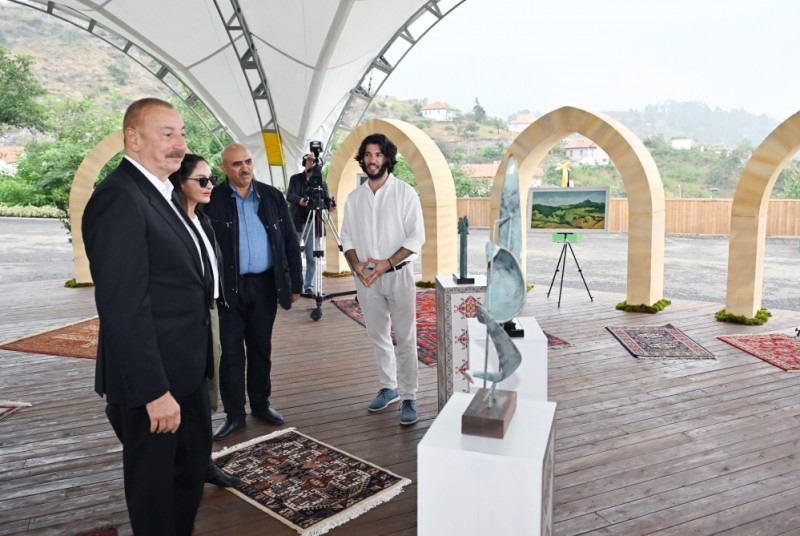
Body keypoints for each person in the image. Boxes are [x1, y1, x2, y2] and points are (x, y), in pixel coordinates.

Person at [82, 98, 213, 535]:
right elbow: (123, 306)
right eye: (167, 134)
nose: (180, 144)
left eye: (182, 134)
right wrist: (154, 391)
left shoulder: (160, 192)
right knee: (156, 494)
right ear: (133, 138)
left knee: (187, 475)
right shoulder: (119, 197)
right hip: (155, 383)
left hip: (185, 372)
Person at [205, 143, 302, 441]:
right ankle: (235, 414)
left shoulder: (271, 196)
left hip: (265, 285)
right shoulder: (212, 199)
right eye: (236, 164)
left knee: (261, 349)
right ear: (223, 168)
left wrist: (295, 282)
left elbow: (289, 239)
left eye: (247, 161)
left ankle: (261, 404)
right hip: (227, 288)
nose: (244, 168)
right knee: (231, 354)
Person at [339, 133, 426, 426]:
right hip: (367, 280)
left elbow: (416, 237)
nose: (372, 160)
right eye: (367, 154)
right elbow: (347, 237)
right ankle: (389, 387)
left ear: (387, 158)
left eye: (377, 154)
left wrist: (386, 263)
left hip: (399, 276)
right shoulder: (354, 198)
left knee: (406, 338)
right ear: (362, 159)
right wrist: (356, 266)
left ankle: (409, 396)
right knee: (378, 336)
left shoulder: (405, 193)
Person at [168, 154, 241, 489]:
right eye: (201, 180)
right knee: (188, 389)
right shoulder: (171, 223)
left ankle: (202, 461)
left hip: (210, 310)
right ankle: (187, 464)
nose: (210, 185)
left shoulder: (202, 220)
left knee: (207, 386)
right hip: (185, 318)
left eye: (211, 178)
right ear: (180, 183)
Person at [286, 153, 332, 294]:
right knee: (292, 255)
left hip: (313, 223)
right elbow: (289, 196)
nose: (312, 162)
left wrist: (330, 206)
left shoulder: (322, 183)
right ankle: (292, 286)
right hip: (296, 222)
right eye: (310, 160)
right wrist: (300, 201)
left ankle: (309, 286)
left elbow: (326, 200)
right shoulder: (295, 179)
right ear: (304, 162)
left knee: (312, 257)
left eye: (315, 160)